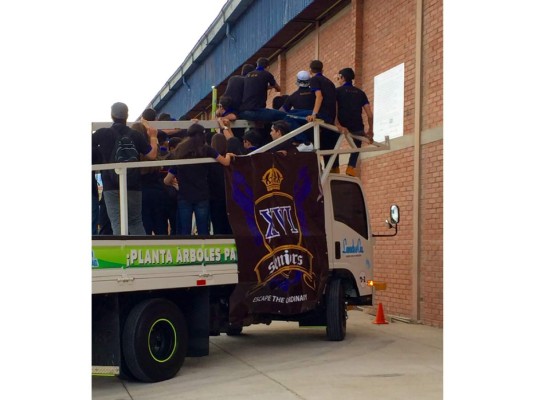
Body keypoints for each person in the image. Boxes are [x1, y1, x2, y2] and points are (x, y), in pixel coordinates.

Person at [92, 102, 158, 235]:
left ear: (112, 116)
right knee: (136, 222)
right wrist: (153, 136)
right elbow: (152, 155)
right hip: (133, 184)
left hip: (110, 185)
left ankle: (122, 253)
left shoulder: (102, 133)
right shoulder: (135, 135)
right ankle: (140, 253)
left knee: (117, 222)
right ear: (127, 116)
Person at [164, 123, 234, 236]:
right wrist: (229, 155)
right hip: (202, 195)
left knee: (185, 231)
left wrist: (175, 183)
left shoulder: (180, 151)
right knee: (203, 230)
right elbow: (225, 162)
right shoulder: (206, 149)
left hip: (184, 196)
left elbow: (166, 180)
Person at [334, 67, 374, 177]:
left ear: (342, 78)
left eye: (339, 77)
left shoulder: (337, 91)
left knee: (334, 141)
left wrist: (337, 123)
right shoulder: (361, 93)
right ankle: (351, 167)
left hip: (342, 122)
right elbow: (369, 115)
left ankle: (335, 167)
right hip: (356, 125)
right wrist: (370, 130)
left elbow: (334, 108)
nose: (338, 79)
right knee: (357, 144)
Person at [131, 122, 168, 235]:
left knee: (144, 226)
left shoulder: (132, 150)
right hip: (157, 191)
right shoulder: (152, 148)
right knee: (161, 226)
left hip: (139, 192)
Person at [305, 60, 339, 172]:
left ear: (310, 70)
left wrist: (313, 114)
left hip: (322, 115)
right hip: (331, 116)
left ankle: (316, 167)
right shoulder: (329, 82)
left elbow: (319, 96)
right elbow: (335, 102)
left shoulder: (314, 80)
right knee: (329, 145)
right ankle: (331, 168)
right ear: (322, 70)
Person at [238, 57, 287, 125]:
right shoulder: (266, 74)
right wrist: (274, 87)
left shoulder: (247, 75)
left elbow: (255, 87)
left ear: (257, 65)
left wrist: (267, 87)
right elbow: (278, 88)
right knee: (284, 116)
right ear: (268, 67)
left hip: (244, 112)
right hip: (257, 111)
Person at [208, 134, 232, 234]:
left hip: (213, 198)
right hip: (228, 197)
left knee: (217, 226)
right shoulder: (230, 159)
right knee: (229, 225)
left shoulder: (208, 160)